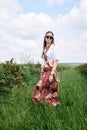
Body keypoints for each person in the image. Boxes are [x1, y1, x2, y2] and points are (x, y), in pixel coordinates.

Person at [32, 31, 60, 106]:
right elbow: (44, 61)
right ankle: (44, 104)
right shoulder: (45, 48)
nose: (49, 38)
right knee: (45, 88)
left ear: (52, 39)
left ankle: (48, 104)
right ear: (45, 38)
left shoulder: (53, 47)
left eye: (51, 37)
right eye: (47, 36)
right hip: (45, 71)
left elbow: (56, 61)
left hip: (50, 70)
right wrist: (42, 72)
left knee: (43, 87)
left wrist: (52, 74)